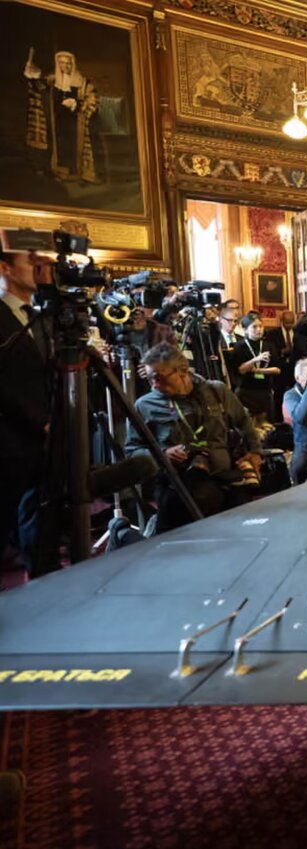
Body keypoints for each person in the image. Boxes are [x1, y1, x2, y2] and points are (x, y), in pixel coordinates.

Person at [127, 344, 262, 532]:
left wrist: (255, 452)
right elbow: (132, 450)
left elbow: (244, 422)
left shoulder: (217, 391)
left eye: (158, 378)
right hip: (178, 488)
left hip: (226, 480)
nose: (154, 384)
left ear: (183, 372)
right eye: (149, 378)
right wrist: (163, 454)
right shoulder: (145, 405)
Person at [0, 249, 51, 575]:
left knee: (40, 516)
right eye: (29, 262)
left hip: (43, 439)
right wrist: (37, 420)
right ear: (4, 268)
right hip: (9, 437)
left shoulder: (41, 318)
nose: (37, 268)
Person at [23, 49, 101, 183]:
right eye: (62, 63)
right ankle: (60, 172)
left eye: (68, 63)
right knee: (60, 146)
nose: (65, 66)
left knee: (74, 146)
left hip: (76, 121)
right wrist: (32, 77)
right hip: (57, 120)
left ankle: (77, 173)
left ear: (73, 64)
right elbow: (39, 87)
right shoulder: (52, 79)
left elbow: (93, 98)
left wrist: (76, 104)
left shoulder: (82, 82)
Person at [226, 316, 280, 426]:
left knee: (267, 424)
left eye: (260, 326)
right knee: (247, 425)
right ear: (245, 329)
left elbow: (277, 370)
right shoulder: (239, 346)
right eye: (254, 327)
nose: (259, 330)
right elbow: (240, 370)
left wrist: (257, 370)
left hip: (265, 390)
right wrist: (256, 359)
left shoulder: (268, 345)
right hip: (246, 391)